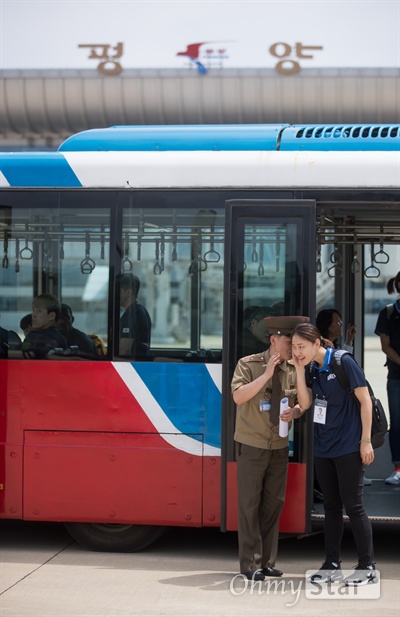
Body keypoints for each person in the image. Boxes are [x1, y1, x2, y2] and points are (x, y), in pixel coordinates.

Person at [291, 322, 376, 586]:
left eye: (301, 347)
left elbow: (365, 401)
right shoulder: (311, 369)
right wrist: (297, 369)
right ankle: (332, 565)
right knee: (331, 507)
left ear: (317, 343)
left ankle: (367, 568)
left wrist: (365, 441)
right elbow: (305, 404)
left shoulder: (343, 362)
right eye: (294, 347)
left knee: (354, 506)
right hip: (323, 447)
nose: (297, 351)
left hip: (349, 446)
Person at [231, 315, 310, 582]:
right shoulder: (249, 364)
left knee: (273, 505)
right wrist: (266, 374)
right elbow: (238, 396)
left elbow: (300, 403)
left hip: (279, 445)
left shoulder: (292, 368)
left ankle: (267, 562)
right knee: (249, 506)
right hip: (252, 445)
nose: (293, 348)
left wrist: (295, 413)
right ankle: (249, 565)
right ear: (274, 340)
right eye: (289, 342)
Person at [374, 271, 400, 486]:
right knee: (397, 423)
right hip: (396, 377)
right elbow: (385, 346)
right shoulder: (389, 313)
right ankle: (398, 468)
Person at [22, 293, 67, 358]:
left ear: (51, 316)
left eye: (39, 311)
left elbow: (22, 355)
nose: (33, 315)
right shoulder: (61, 338)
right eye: (33, 310)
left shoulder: (32, 336)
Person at [118, 273, 151, 356]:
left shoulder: (132, 314)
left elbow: (123, 350)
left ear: (128, 292)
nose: (115, 294)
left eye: (118, 291)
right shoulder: (140, 310)